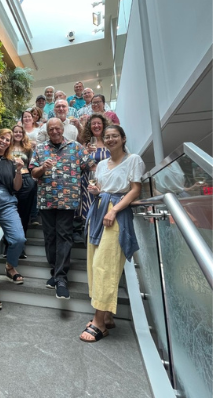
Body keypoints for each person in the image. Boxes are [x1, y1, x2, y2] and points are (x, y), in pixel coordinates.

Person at [79, 125, 143, 343]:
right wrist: (96, 191)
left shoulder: (133, 159)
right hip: (98, 211)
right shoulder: (101, 164)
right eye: (107, 137)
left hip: (116, 213)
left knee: (104, 265)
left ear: (123, 138)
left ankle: (99, 323)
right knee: (93, 264)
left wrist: (115, 210)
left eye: (115, 136)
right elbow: (102, 186)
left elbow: (135, 190)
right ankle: (106, 316)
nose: (111, 139)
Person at [30, 118, 97, 300]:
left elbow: (91, 166)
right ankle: (55, 271)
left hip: (68, 201)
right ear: (47, 130)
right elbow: (33, 173)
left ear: (63, 129)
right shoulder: (40, 148)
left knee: (64, 236)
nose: (54, 131)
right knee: (50, 238)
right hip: (46, 200)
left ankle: (60, 278)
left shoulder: (75, 147)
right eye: (51, 129)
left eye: (57, 128)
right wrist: (42, 167)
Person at [0, 129, 27, 311]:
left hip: (8, 202)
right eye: (2, 137)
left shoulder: (11, 162)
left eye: (7, 140)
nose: (4, 141)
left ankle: (10, 265)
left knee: (19, 238)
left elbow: (17, 187)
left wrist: (18, 171)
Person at [77, 114, 111, 231]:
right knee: (91, 215)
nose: (96, 126)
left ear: (104, 125)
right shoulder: (85, 145)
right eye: (93, 124)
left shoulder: (110, 142)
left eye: (99, 123)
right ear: (89, 127)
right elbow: (79, 166)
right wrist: (85, 152)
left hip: (107, 181)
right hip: (89, 181)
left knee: (106, 210)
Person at [10, 124, 38, 230]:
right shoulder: (7, 146)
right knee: (12, 210)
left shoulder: (27, 148)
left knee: (24, 211)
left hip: (26, 178)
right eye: (15, 131)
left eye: (20, 132)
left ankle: (22, 239)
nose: (18, 134)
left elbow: (32, 164)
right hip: (11, 179)